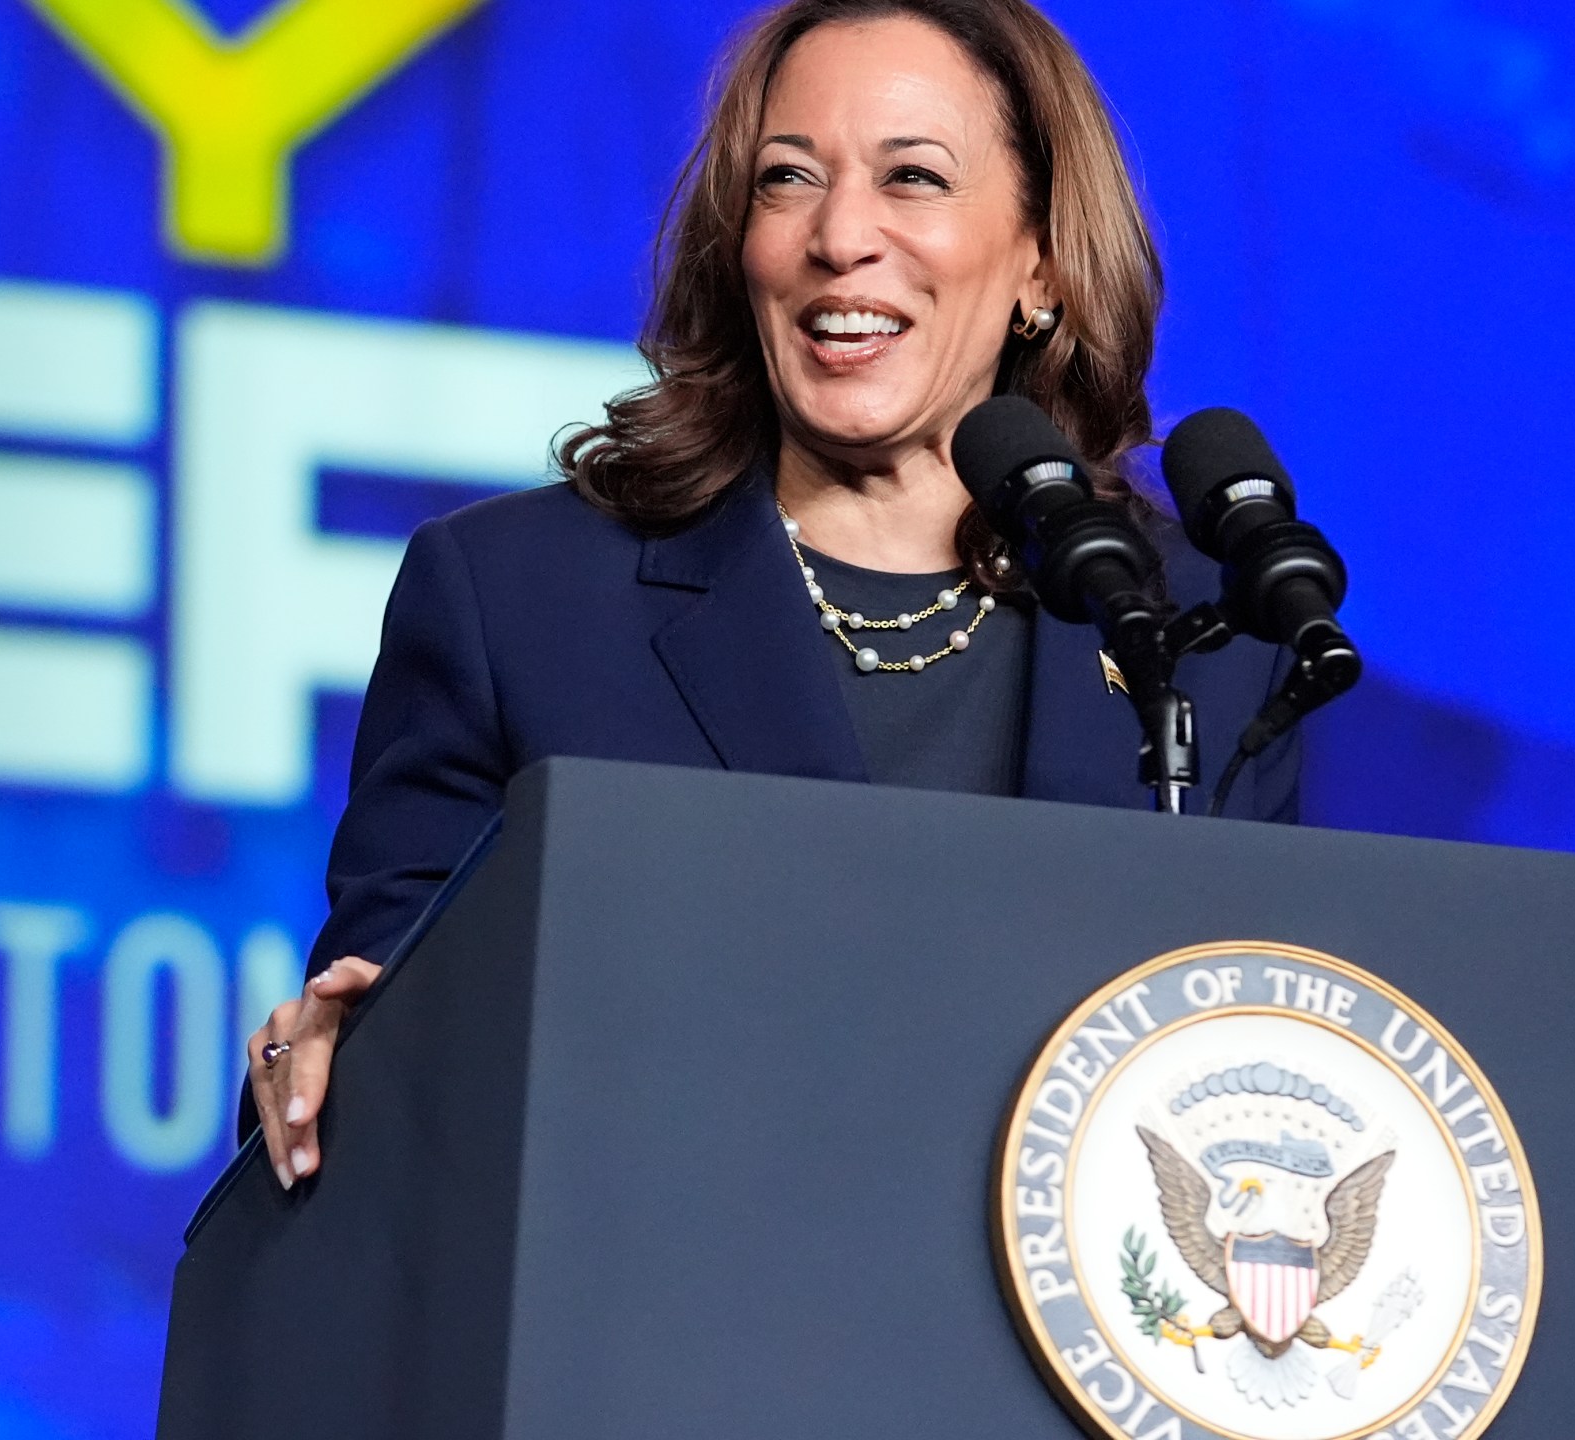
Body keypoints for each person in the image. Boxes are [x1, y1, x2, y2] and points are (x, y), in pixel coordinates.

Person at [244, 0, 1302, 1189]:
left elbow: (1261, 1072)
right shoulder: (516, 601)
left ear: (1041, 265)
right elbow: (383, 1028)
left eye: (914, 178)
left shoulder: (1197, 636)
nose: (840, 235)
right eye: (788, 179)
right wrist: (332, 1055)